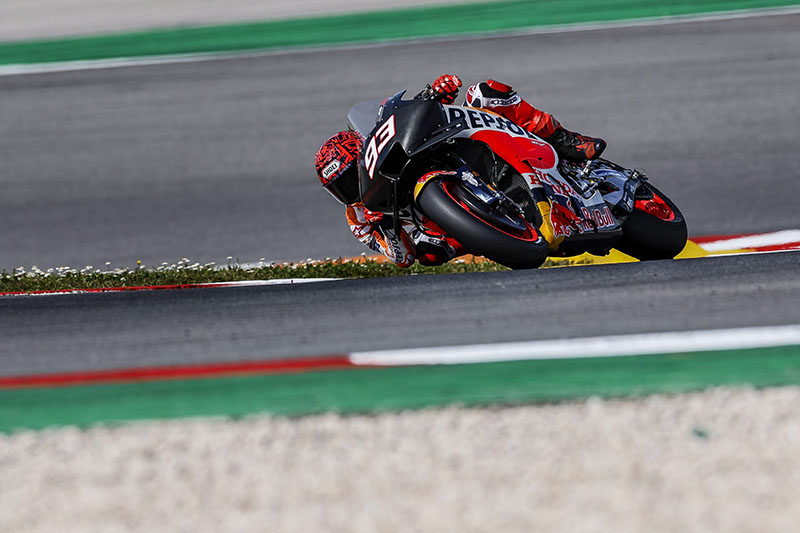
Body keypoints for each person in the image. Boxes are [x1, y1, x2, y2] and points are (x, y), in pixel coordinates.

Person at [313, 74, 606, 267]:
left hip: (451, 155)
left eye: (352, 177)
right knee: (430, 253)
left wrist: (434, 94)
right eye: (341, 189)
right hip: (445, 227)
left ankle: (565, 140)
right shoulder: (359, 218)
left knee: (485, 93)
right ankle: (500, 228)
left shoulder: (386, 141)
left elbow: (413, 120)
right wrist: (388, 229)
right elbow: (402, 258)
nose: (352, 191)